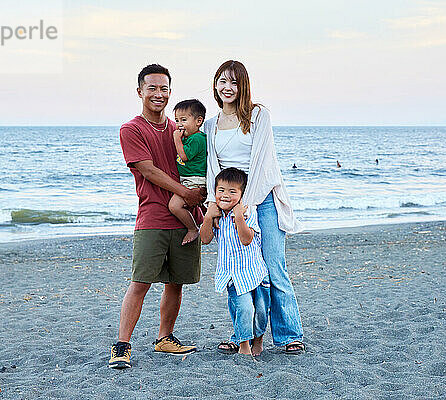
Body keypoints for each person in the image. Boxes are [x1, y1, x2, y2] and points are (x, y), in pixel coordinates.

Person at [203, 60, 305, 354]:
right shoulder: (211, 125)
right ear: (215, 85)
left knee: (273, 269)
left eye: (234, 82)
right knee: (237, 271)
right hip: (229, 204)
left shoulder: (259, 116)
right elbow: (213, 169)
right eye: (222, 81)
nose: (227, 88)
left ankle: (288, 335)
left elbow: (263, 164)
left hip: (263, 201)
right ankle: (241, 336)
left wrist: (246, 205)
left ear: (243, 86)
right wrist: (216, 203)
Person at [109, 64, 205, 369]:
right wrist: (186, 193)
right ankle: (122, 346)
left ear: (170, 92)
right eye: (152, 88)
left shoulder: (180, 128)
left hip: (186, 215)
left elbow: (203, 158)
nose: (158, 94)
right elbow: (148, 170)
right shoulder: (132, 129)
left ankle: (165, 338)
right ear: (140, 92)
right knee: (140, 282)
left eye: (164, 89)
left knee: (175, 283)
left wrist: (205, 199)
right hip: (152, 215)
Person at [200, 168, 270, 356]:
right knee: (243, 309)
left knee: (261, 311)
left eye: (232, 191)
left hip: (256, 272)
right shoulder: (215, 216)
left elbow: (246, 239)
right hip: (233, 275)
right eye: (221, 190)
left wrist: (238, 217)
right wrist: (207, 216)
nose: (225, 195)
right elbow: (205, 239)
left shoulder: (249, 212)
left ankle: (258, 340)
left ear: (241, 194)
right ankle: (244, 345)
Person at [169, 99, 207, 245]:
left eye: (184, 120)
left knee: (174, 206)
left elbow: (184, 156)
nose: (179, 124)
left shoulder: (197, 138)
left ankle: (192, 229)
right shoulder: (190, 138)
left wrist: (177, 140)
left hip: (194, 180)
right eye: (177, 120)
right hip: (188, 179)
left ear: (198, 121)